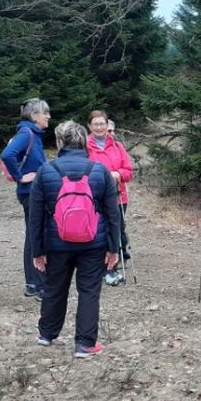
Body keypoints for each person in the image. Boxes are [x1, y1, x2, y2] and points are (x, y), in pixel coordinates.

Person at [29, 120, 120, 357]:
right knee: (89, 291)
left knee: (54, 287)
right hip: (94, 243)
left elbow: (35, 217)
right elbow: (113, 214)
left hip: (56, 243)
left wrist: (37, 250)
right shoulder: (100, 170)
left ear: (60, 141)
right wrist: (114, 248)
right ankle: (85, 344)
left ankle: (46, 333)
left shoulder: (45, 171)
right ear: (84, 141)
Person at [1, 99, 50, 299]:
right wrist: (20, 177)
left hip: (30, 192)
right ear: (34, 116)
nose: (48, 116)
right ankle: (40, 285)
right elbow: (7, 155)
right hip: (31, 193)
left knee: (33, 235)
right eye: (45, 113)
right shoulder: (27, 133)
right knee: (38, 236)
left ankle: (32, 283)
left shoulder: (32, 134)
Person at [87, 110, 133, 285]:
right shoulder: (84, 147)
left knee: (115, 231)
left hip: (118, 196)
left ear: (107, 125)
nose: (99, 127)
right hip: (93, 197)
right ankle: (100, 269)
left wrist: (117, 174)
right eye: (95, 124)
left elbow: (128, 171)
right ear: (89, 126)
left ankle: (111, 268)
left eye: (102, 124)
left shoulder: (118, 146)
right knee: (97, 231)